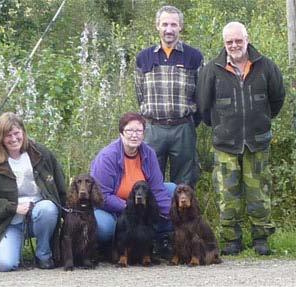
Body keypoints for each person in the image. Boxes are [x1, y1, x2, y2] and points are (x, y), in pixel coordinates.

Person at [198, 22, 285, 256]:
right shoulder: (211, 70)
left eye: (238, 40)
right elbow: (204, 107)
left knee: (259, 193)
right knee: (227, 194)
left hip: (257, 142)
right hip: (225, 144)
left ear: (247, 39)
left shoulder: (266, 66)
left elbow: (277, 100)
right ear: (224, 43)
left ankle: (261, 239)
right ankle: (231, 240)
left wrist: (261, 120)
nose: (234, 45)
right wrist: (222, 127)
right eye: (229, 42)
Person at [0, 112, 66, 271]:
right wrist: (13, 207)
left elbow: (60, 187)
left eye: (17, 133)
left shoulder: (41, 153)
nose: (13, 139)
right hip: (8, 222)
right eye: (8, 135)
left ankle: (43, 254)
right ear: (0, 138)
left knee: (48, 207)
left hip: (40, 215)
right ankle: (14, 247)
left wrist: (68, 216)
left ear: (23, 132)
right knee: (5, 264)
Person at [90, 112, 176, 259]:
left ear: (143, 133)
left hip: (140, 204)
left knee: (172, 189)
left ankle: (161, 241)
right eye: (129, 131)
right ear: (121, 133)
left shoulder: (149, 153)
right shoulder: (107, 157)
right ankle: (106, 248)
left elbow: (157, 189)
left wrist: (173, 214)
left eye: (139, 131)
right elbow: (101, 195)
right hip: (111, 208)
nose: (134, 135)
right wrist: (128, 206)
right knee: (105, 229)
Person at [134, 5, 203, 187]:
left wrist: (191, 121)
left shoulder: (194, 57)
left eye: (173, 24)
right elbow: (139, 93)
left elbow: (201, 95)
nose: (169, 29)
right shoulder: (144, 57)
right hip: (153, 129)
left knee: (184, 185)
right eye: (164, 24)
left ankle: (182, 216)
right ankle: (155, 216)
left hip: (183, 129)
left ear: (181, 26)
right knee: (149, 181)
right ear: (157, 26)